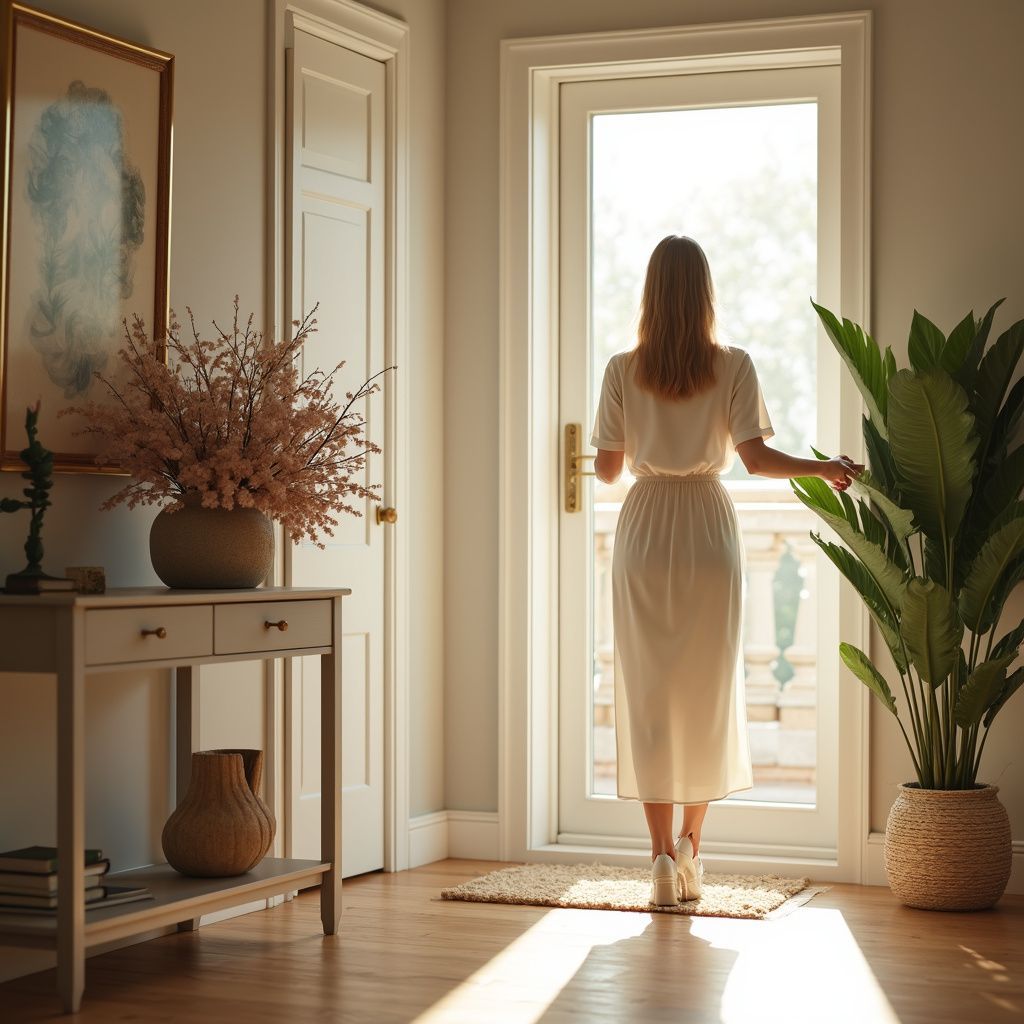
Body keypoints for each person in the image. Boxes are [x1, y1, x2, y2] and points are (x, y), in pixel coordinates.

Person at [590, 235, 861, 906]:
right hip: (709, 528)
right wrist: (824, 468)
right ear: (705, 293)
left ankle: (655, 860)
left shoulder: (622, 369)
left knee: (650, 696)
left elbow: (606, 470)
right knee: (707, 692)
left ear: (649, 295)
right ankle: (690, 849)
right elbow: (758, 460)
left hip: (646, 528)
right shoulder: (734, 364)